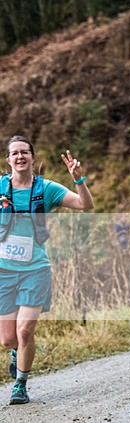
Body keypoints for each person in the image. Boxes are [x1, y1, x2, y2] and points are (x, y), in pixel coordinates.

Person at [2, 136, 94, 405]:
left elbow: (84, 204)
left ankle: (20, 384)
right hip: (3, 271)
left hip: (35, 269)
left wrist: (79, 179)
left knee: (25, 331)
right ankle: (17, 353)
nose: (20, 157)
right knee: (9, 339)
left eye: (24, 153)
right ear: (8, 160)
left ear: (33, 157)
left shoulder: (47, 189)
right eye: (14, 153)